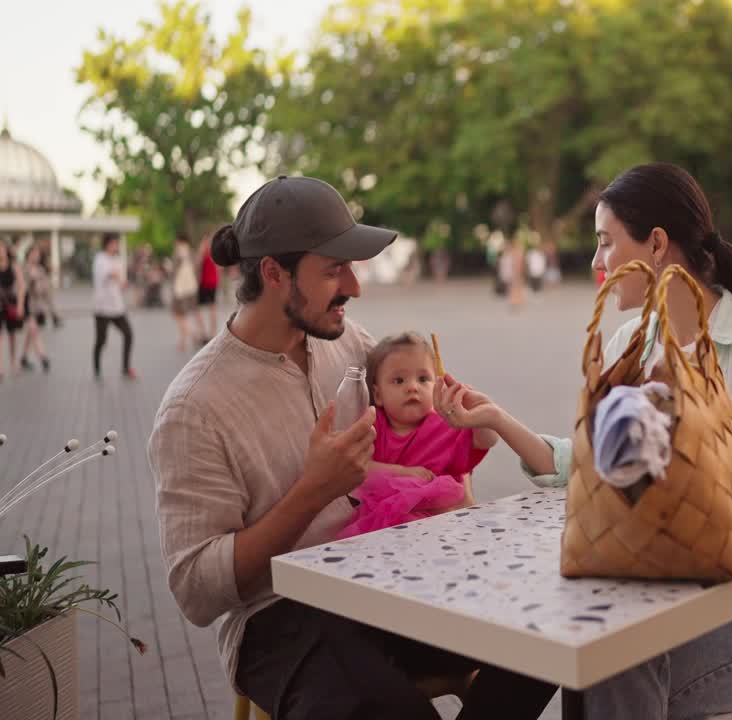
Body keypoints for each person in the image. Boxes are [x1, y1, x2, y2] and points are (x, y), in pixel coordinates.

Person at [435, 163, 732, 718]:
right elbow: (591, 467)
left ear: (655, 245)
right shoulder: (630, 343)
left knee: (611, 656)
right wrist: (498, 421)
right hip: (656, 582)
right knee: (559, 628)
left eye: (605, 243)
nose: (597, 263)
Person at [147, 175, 555, 720]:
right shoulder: (194, 408)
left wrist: (462, 420)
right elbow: (196, 591)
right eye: (335, 269)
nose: (356, 287)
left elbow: (429, 425)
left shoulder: (347, 343)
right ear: (274, 273)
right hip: (281, 615)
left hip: (389, 576)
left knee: (542, 633)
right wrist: (312, 493)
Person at [336, 332, 492, 540]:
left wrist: (481, 416)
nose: (412, 387)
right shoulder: (373, 425)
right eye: (399, 380)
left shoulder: (446, 426)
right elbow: (360, 467)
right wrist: (401, 472)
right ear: (378, 395)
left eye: (423, 379)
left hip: (441, 528)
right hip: (384, 528)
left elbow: (485, 440)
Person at [92, 234, 136, 380]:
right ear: (108, 244)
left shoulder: (118, 260)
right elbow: (105, 274)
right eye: (114, 243)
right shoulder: (100, 259)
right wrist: (116, 275)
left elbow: (121, 281)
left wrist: (125, 284)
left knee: (128, 334)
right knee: (101, 341)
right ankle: (97, 370)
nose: (116, 246)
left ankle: (125, 367)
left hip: (117, 306)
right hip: (102, 307)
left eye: (117, 243)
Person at [20, 244, 53, 372]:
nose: (36, 256)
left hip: (38, 306)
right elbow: (21, 287)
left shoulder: (40, 270)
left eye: (38, 254)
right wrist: (31, 279)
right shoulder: (23, 269)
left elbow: (46, 290)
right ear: (28, 255)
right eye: (33, 253)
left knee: (31, 332)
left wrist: (51, 308)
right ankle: (43, 357)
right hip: (26, 303)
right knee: (33, 330)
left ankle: (24, 357)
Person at [169, 235, 200, 352]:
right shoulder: (191, 253)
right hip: (191, 288)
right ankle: (183, 342)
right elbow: (196, 269)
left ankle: (192, 335)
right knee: (183, 315)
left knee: (177, 315)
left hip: (179, 289)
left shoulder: (179, 252)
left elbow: (174, 271)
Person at [0, 241, 25, 382]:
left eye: (1, 248)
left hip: (11, 304)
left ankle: (14, 360)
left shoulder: (13, 266)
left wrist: (20, 305)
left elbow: (22, 286)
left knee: (12, 335)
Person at [196, 232, 221, 343]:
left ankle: (203, 334)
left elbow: (198, 263)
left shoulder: (204, 251)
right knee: (213, 307)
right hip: (214, 282)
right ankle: (213, 333)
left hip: (204, 283)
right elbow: (219, 268)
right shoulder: (215, 252)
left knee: (198, 308)